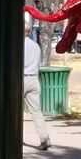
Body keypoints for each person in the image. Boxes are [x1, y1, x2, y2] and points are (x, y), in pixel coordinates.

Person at [23, 15, 51, 151]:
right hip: (34, 78)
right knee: (36, 112)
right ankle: (44, 138)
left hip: (22, 79)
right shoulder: (36, 46)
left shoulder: (18, 46)